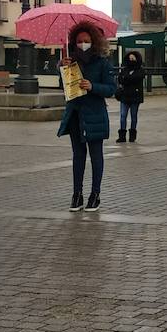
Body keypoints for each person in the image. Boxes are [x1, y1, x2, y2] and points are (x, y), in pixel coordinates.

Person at [59, 21, 116, 211]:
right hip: (75, 114)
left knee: (96, 156)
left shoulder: (102, 62)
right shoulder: (71, 61)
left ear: (94, 41)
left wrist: (93, 86)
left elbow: (111, 89)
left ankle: (95, 194)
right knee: (78, 156)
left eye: (86, 40)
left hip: (95, 115)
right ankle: (77, 194)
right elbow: (66, 88)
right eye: (79, 41)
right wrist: (62, 69)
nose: (83, 44)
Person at [115, 51, 145, 143]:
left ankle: (132, 136)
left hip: (135, 97)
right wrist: (127, 79)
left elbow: (136, 78)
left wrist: (126, 78)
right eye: (130, 58)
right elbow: (120, 79)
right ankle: (122, 136)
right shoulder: (124, 70)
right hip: (125, 96)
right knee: (123, 116)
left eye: (133, 58)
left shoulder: (140, 70)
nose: (131, 60)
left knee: (133, 116)